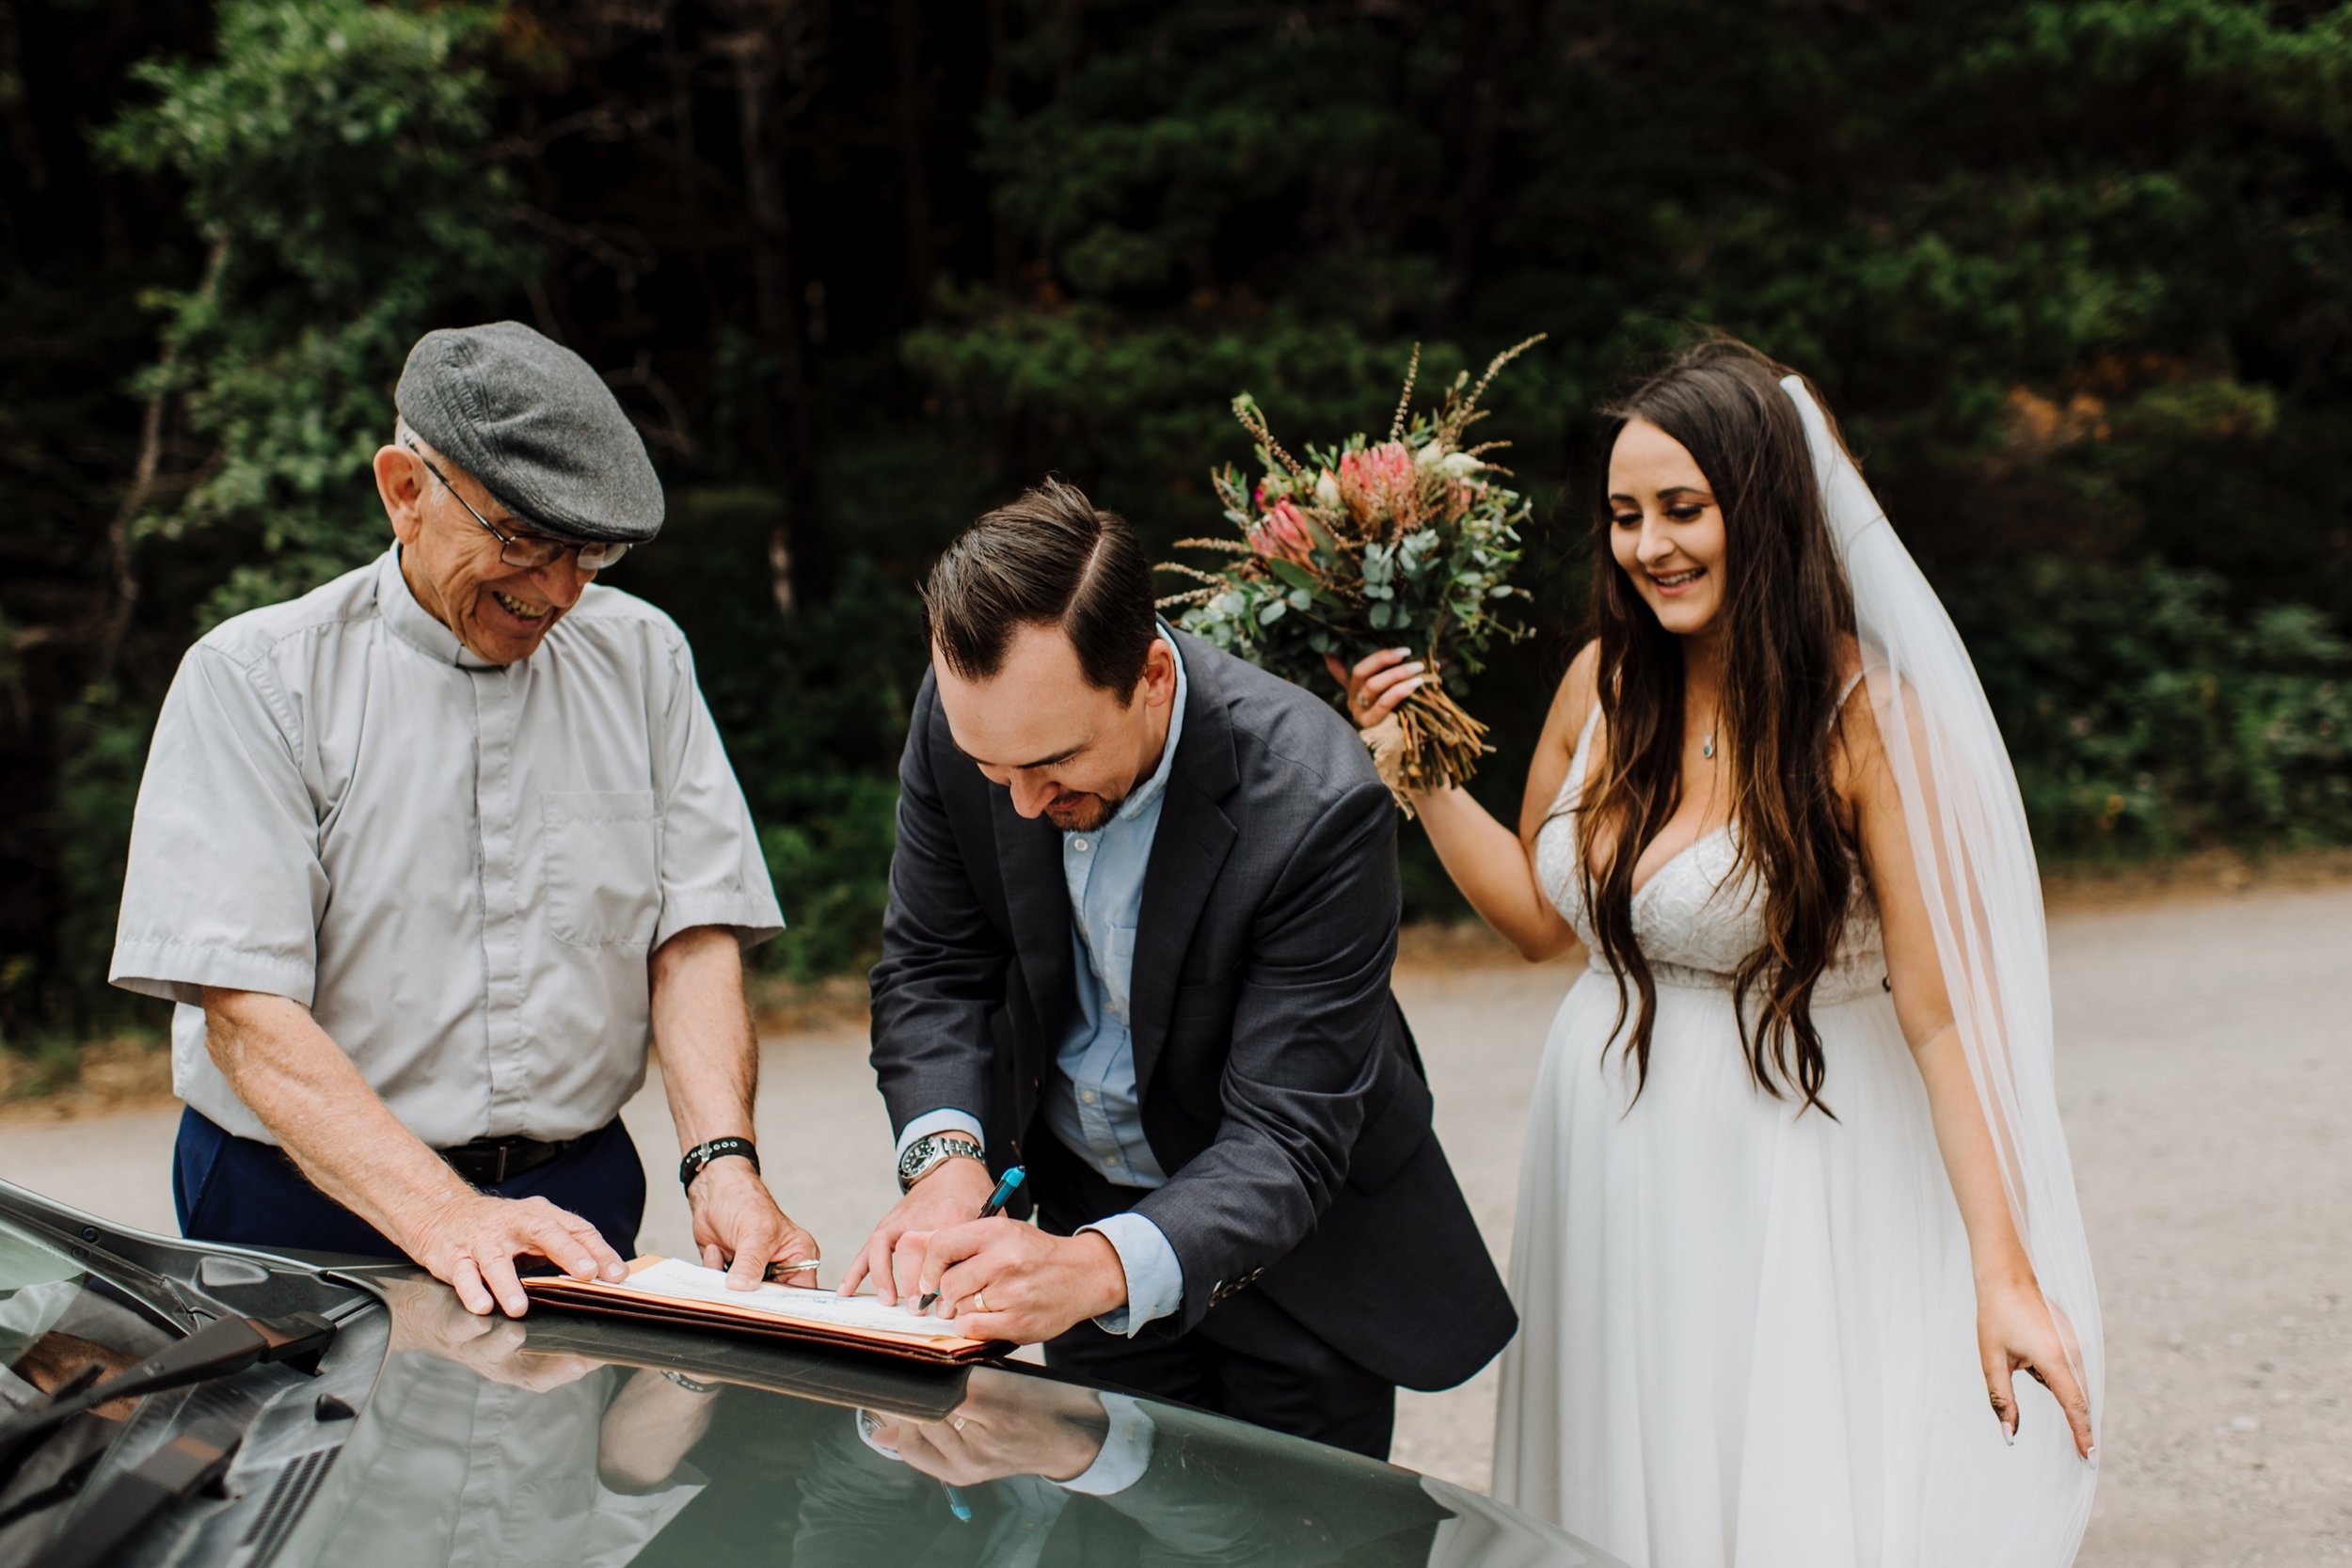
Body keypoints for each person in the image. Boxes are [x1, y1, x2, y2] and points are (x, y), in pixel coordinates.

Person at [1332, 339, 2104, 1564]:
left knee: (1775, 1481)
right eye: (1627, 515)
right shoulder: (1601, 683)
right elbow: (1539, 923)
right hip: (1607, 1145)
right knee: (1619, 1484)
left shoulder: (1868, 719)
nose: (1651, 546)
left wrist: (2005, 1267)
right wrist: (1418, 773)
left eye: (1685, 509)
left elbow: (1942, 1015)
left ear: (1764, 510)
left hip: (1795, 1153)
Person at [110, 321, 817, 1318]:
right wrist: (446, 1215)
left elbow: (691, 933)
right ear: (404, 489)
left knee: (561, 1476)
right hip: (303, 1201)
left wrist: (722, 1163)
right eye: (522, 539)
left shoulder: (645, 656)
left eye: (589, 550)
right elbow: (247, 1015)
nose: (560, 591)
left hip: (579, 1189)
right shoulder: (256, 680)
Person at [841, 479, 1515, 1460]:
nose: (1022, 803)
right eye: (995, 772)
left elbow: (1287, 1134)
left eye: (1056, 763)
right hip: (1074, 1221)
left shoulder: (1316, 801)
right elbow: (933, 968)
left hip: (1298, 1269)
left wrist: (1098, 1266)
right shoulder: (969, 723)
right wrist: (947, 1167)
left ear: (1152, 674)